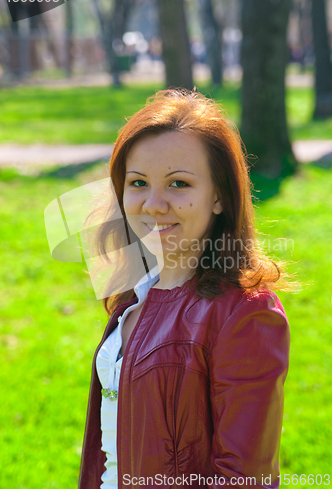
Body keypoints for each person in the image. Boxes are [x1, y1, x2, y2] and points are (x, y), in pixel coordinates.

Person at [78, 88, 291, 489]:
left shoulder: (245, 312)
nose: (154, 204)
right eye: (138, 182)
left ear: (219, 197)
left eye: (178, 184)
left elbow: (245, 479)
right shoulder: (134, 296)